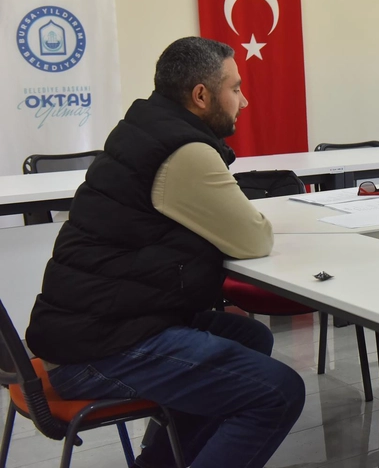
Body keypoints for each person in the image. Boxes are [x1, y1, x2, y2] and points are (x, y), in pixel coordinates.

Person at [25, 37, 306, 468]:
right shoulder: (185, 151)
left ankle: (157, 464)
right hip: (95, 351)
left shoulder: (144, 129)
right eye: (235, 88)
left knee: (252, 337)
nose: (244, 100)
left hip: (83, 329)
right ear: (201, 96)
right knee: (279, 392)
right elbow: (253, 240)